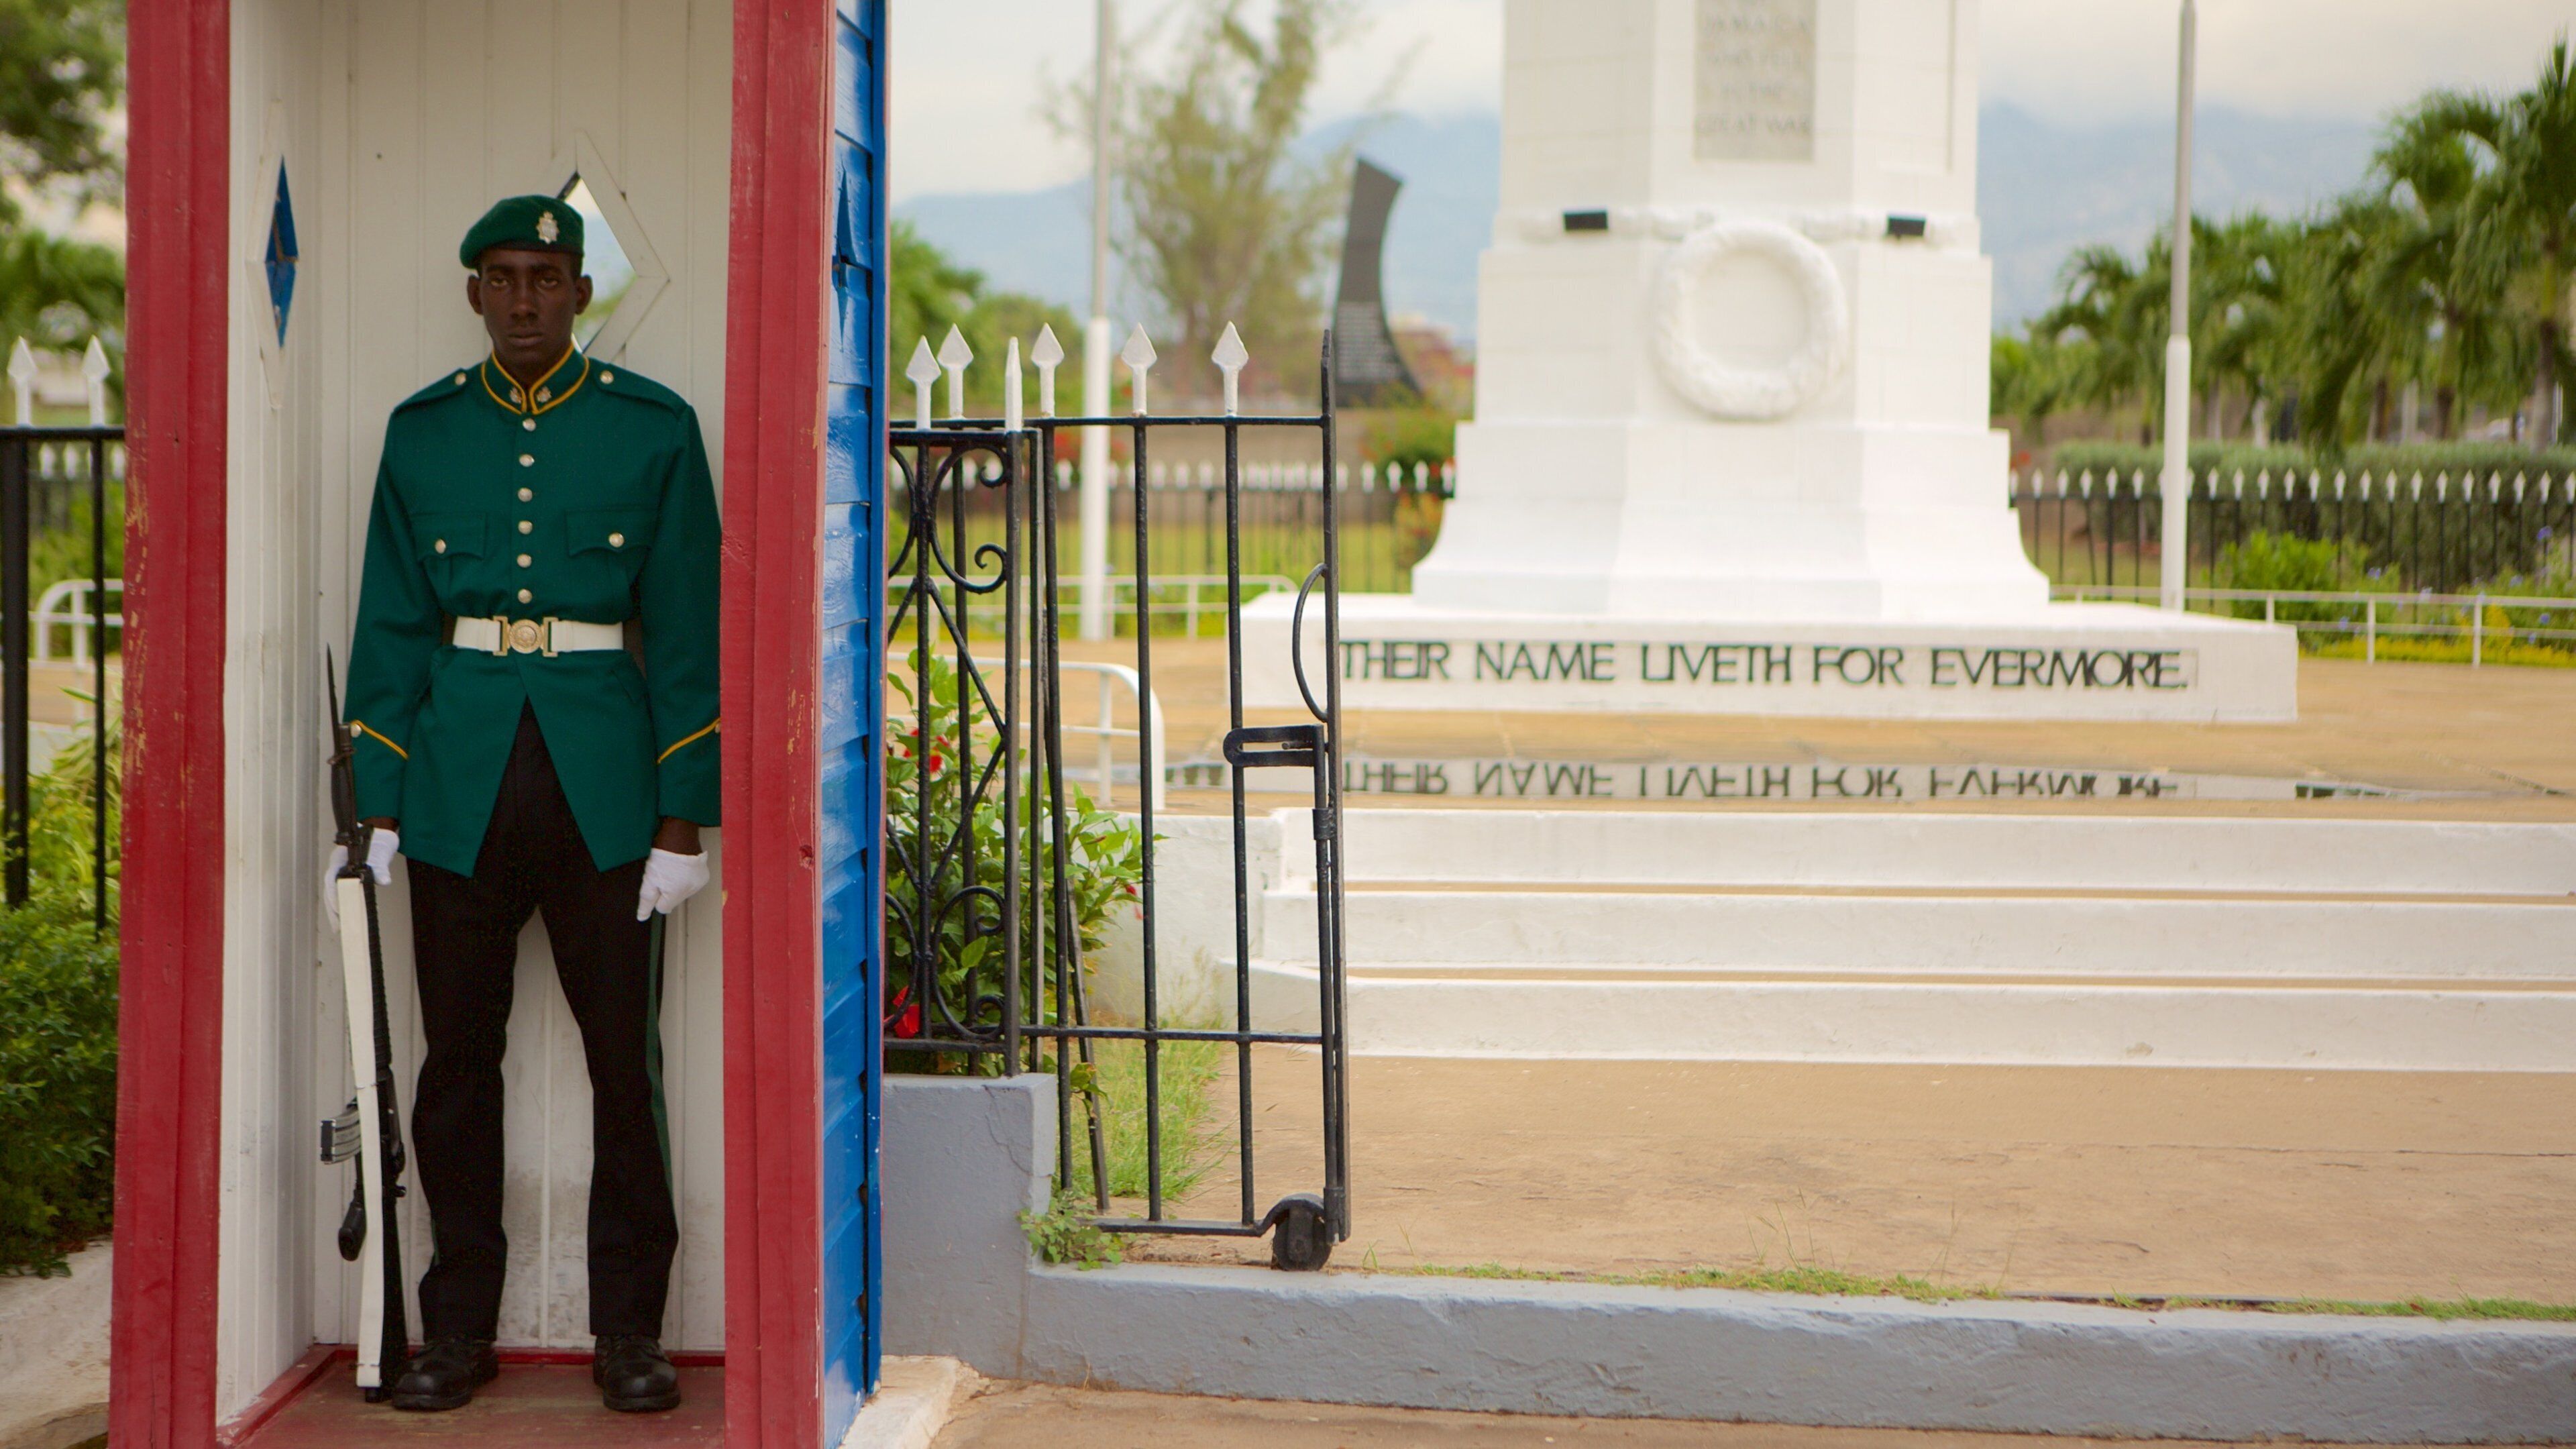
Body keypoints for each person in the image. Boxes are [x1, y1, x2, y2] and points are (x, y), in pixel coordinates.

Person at [331, 193, 719, 1414]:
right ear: (472, 294)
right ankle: (456, 1332)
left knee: (626, 1070)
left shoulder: (653, 430)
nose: (523, 301)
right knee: (457, 1066)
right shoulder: (424, 433)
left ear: (580, 293)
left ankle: (629, 1337)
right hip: (456, 786)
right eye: (501, 279)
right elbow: (392, 626)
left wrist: (683, 813)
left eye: (545, 279)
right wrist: (379, 801)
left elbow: (692, 636)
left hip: (607, 790)